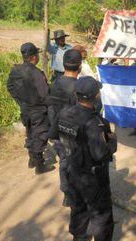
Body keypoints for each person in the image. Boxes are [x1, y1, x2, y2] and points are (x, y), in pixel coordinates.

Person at [50, 77, 126, 241]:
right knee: (101, 214)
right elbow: (101, 154)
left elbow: (53, 136)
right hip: (92, 177)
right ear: (96, 96)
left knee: (78, 206)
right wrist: (113, 140)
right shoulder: (95, 123)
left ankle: (78, 237)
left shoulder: (64, 113)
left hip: (71, 169)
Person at [7, 42, 55, 175]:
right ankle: (40, 165)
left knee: (30, 133)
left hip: (25, 109)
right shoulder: (36, 73)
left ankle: (32, 160)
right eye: (37, 55)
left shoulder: (15, 70)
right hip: (37, 110)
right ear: (34, 57)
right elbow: (45, 95)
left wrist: (20, 102)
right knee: (40, 134)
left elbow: (10, 87)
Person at [47, 49, 82, 206]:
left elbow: (51, 107)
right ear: (80, 66)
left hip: (58, 130)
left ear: (64, 64)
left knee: (64, 162)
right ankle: (75, 194)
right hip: (74, 134)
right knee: (77, 164)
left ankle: (67, 193)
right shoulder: (79, 87)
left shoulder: (54, 83)